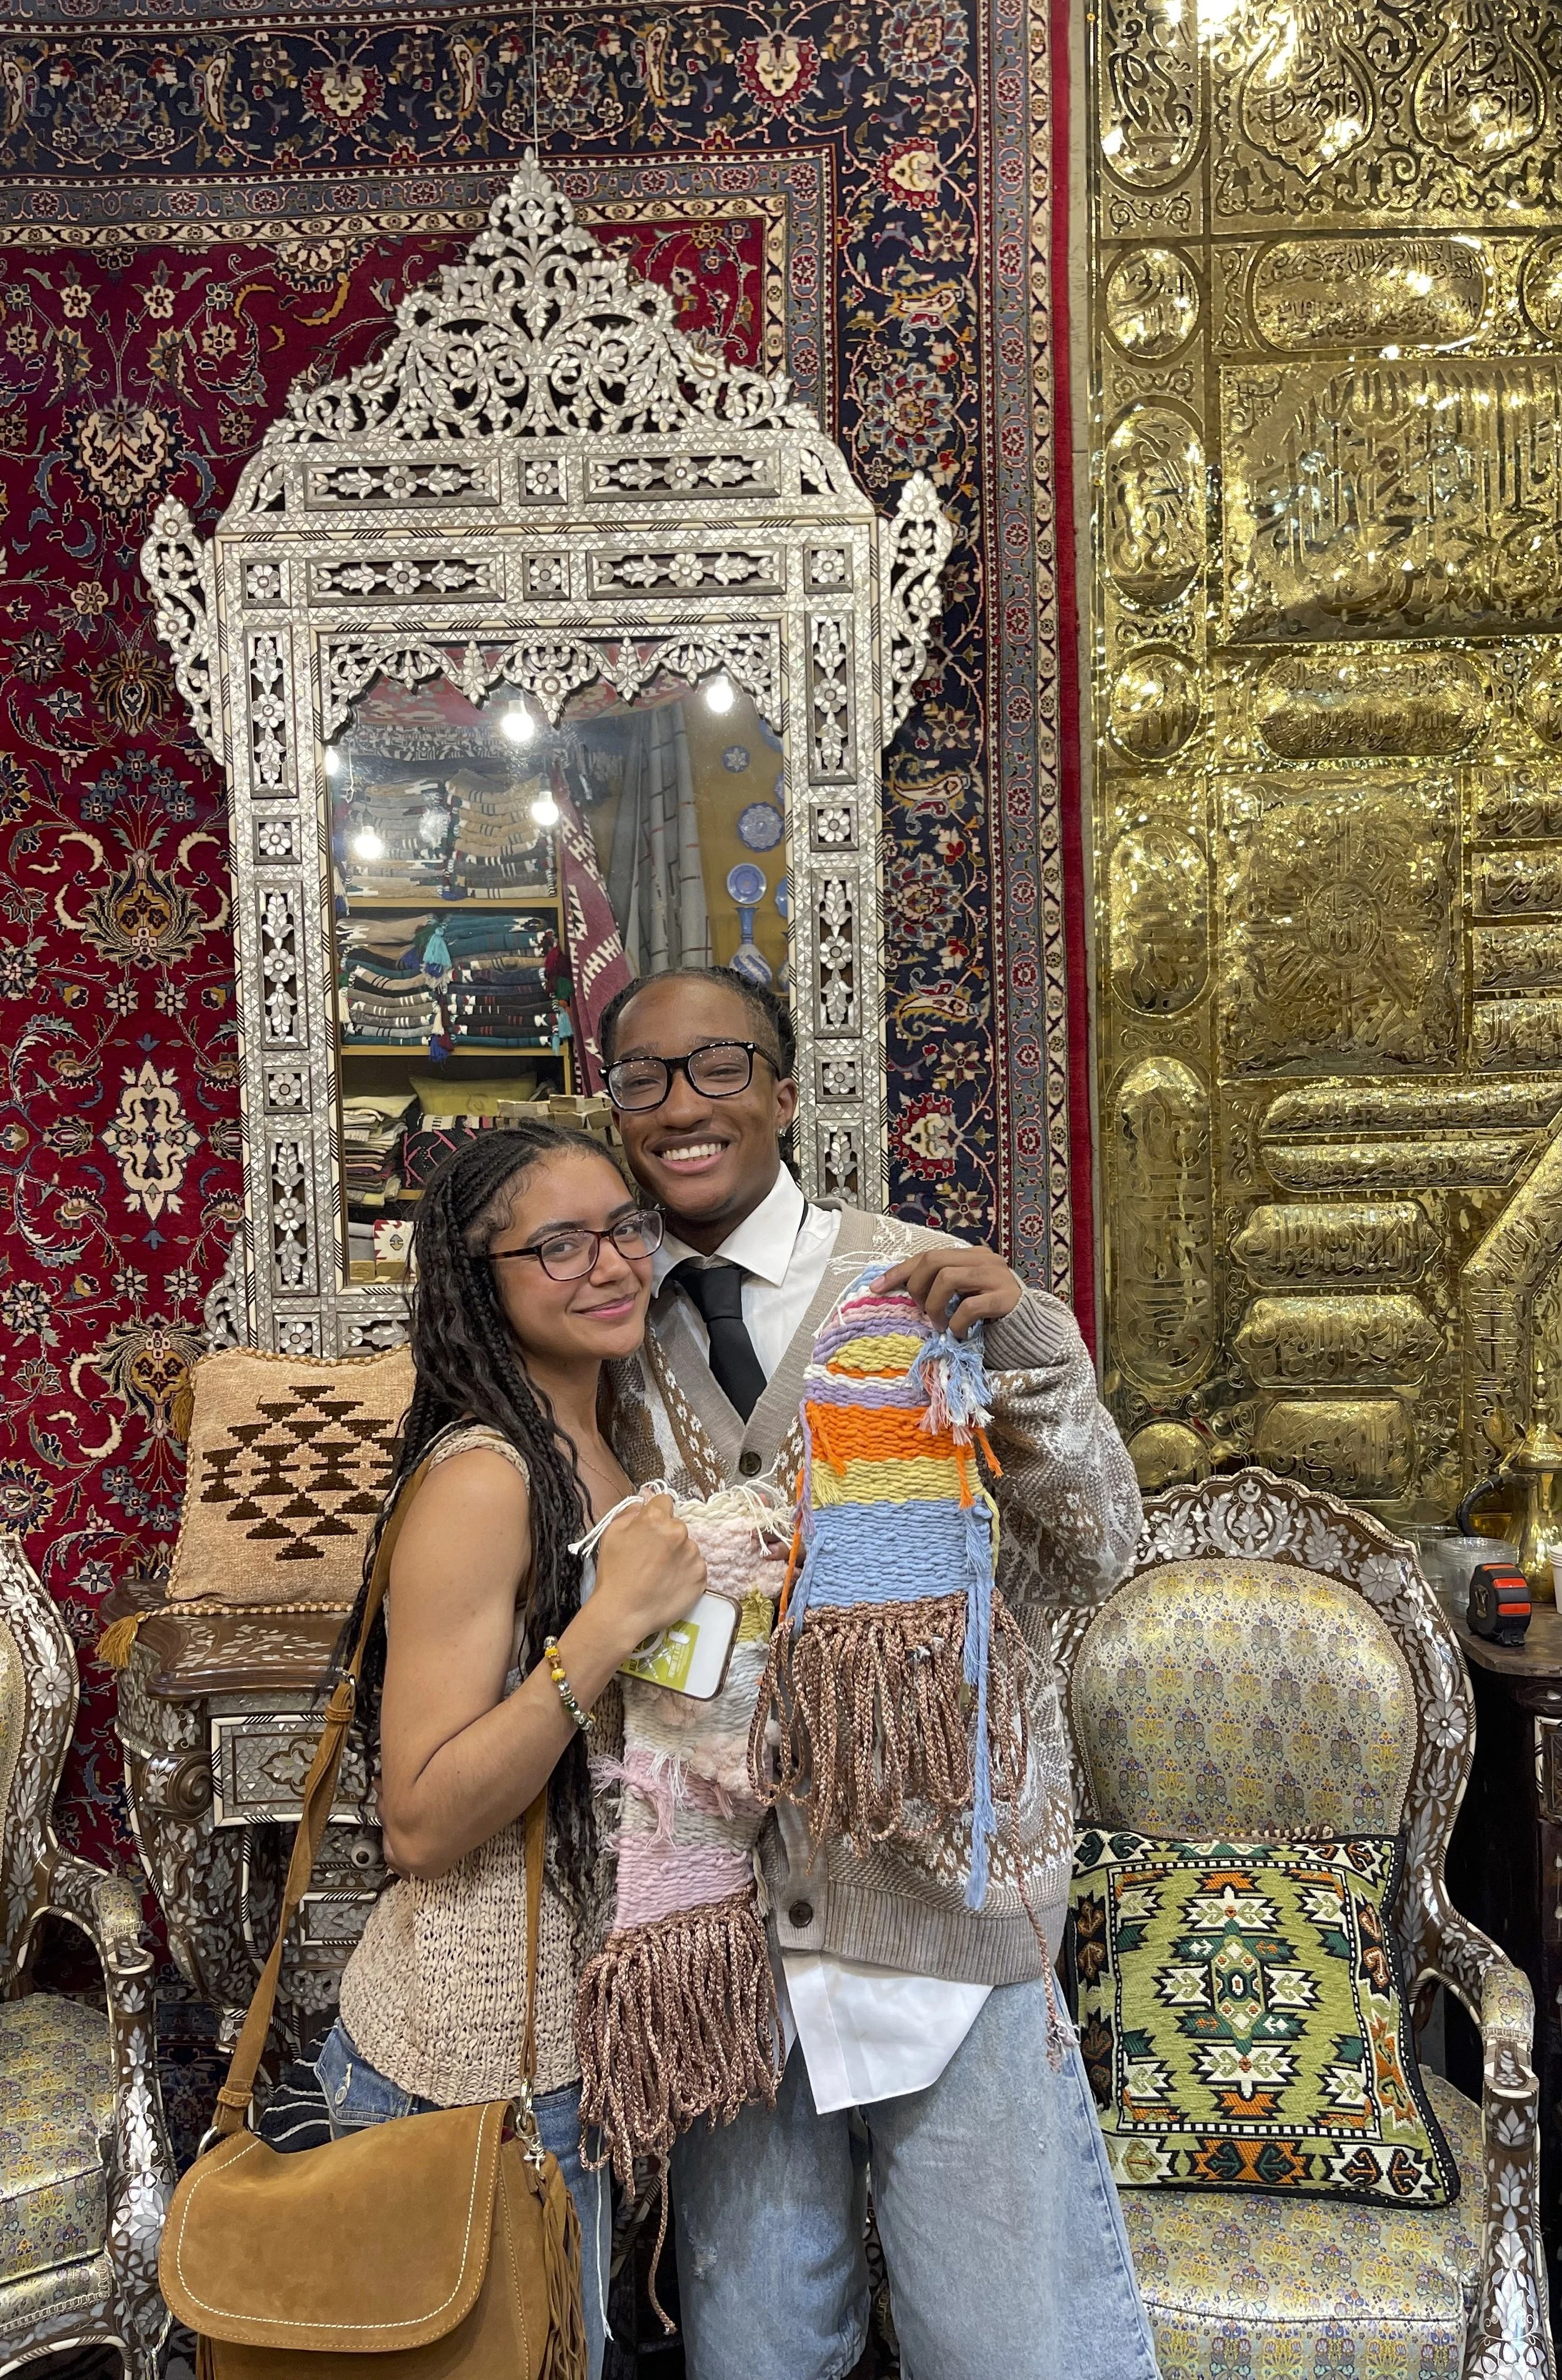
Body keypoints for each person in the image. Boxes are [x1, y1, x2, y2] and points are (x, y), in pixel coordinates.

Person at [596, 967, 1160, 2380]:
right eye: (641, 1078)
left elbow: (1101, 1543)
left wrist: (1028, 1349)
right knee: (755, 2348)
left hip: (941, 1907)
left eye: (716, 1067)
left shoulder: (918, 1281)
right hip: (728, 1940)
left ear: (785, 1094)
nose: (679, 1105)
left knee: (1006, 2344)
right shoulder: (603, 1324)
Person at [276, 1123, 709, 2380]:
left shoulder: (607, 1435)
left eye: (623, 1227)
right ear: (481, 1279)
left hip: (561, 2051)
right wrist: (611, 1627)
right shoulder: (486, 1475)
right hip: (469, 2070)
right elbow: (416, 1820)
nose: (611, 1263)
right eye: (556, 1244)